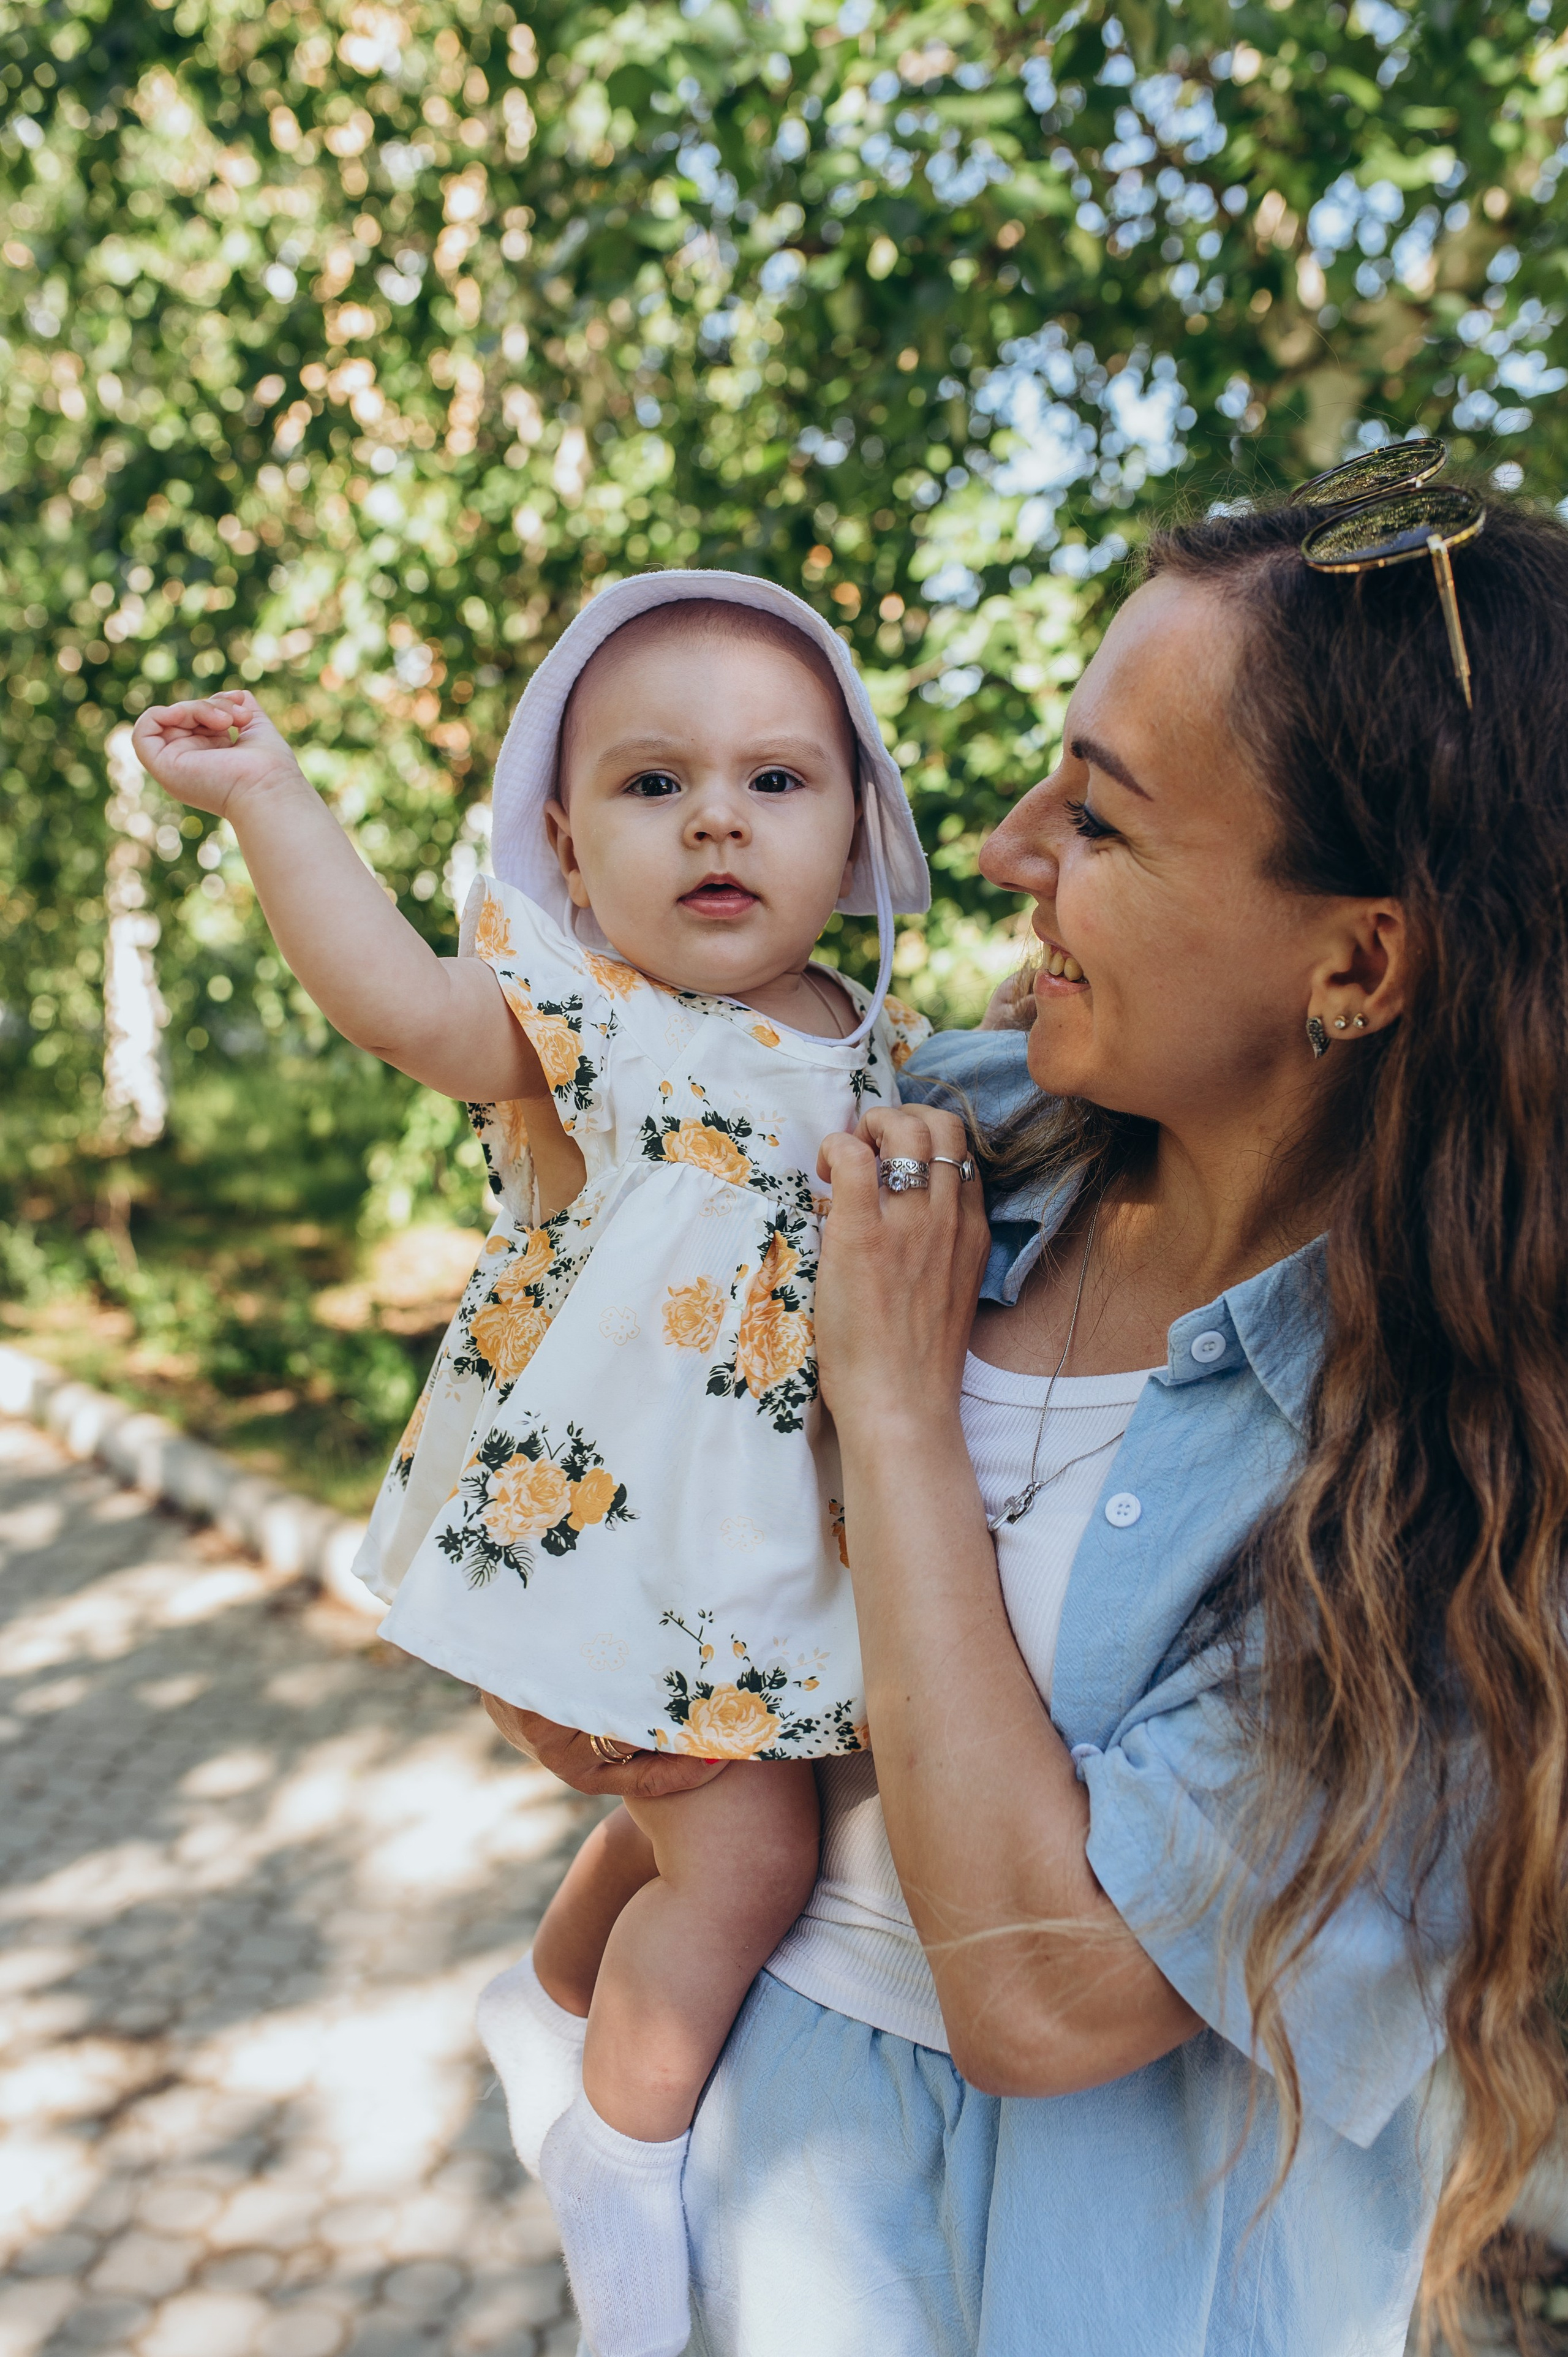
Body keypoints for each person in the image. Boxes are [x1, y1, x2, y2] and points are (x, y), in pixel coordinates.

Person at [488, 488, 1568, 2355]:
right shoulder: (937, 1128)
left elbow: (1045, 1994)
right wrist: (562, 1664)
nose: (1002, 850)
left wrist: (897, 1411)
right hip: (758, 2249)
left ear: (1359, 964)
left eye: (1102, 818)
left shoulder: (1468, 1471)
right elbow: (606, 1341)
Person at [127, 571, 933, 2357]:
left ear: (862, 827)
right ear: (568, 856)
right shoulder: (605, 1022)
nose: (717, 815)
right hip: (617, 1552)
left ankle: (557, 1999)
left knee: (706, 1830)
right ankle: (620, 2175)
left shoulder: (891, 1051)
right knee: (742, 1867)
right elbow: (404, 1006)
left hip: (757, 1564)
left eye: (775, 782)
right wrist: (274, 798)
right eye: (654, 787)